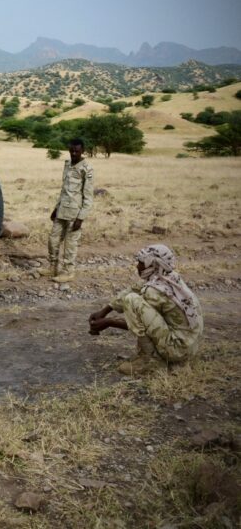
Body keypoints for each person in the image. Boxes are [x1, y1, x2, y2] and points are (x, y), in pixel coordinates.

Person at [88, 244, 204, 375]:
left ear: (153, 265)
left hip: (177, 349)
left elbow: (142, 325)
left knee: (132, 300)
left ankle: (148, 361)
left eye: (141, 263)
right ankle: (177, 363)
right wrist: (104, 311)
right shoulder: (169, 277)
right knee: (135, 292)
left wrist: (109, 322)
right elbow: (134, 288)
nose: (137, 266)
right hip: (189, 346)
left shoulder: (154, 291)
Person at [40, 138, 93, 283]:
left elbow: (88, 197)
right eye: (71, 151)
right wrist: (56, 208)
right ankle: (53, 267)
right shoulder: (67, 164)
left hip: (74, 214)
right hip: (62, 210)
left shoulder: (86, 169)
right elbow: (64, 190)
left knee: (70, 244)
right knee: (53, 240)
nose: (74, 153)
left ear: (82, 151)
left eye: (77, 151)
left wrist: (80, 218)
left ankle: (69, 272)